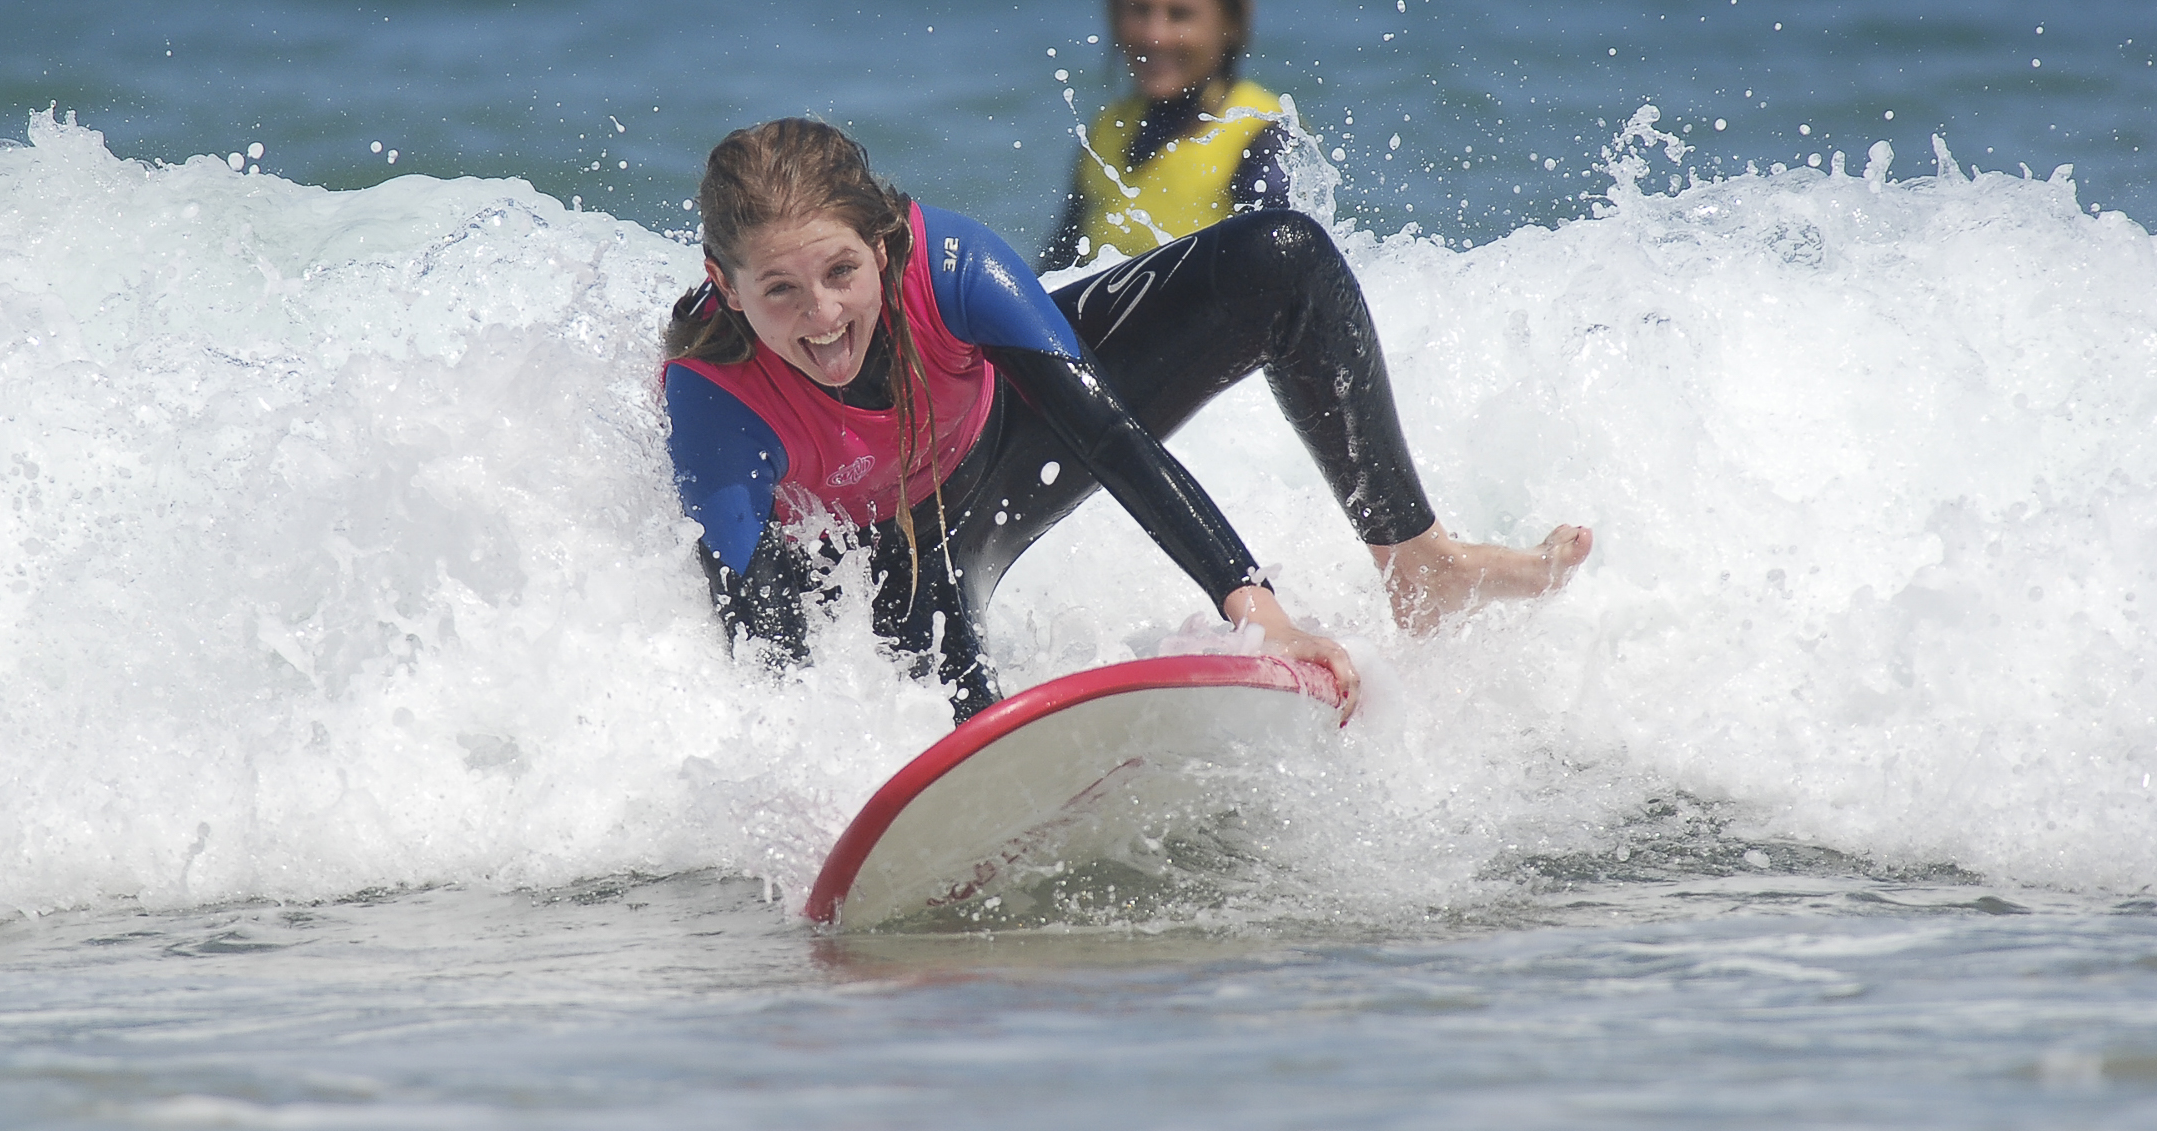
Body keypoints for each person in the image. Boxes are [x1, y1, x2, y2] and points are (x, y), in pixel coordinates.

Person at [662, 118, 1591, 727]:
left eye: (837, 274)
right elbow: (750, 611)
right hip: (893, 557)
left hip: (1010, 442)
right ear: (725, 286)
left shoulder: (949, 267)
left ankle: (1420, 564)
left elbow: (1104, 435)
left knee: (1279, 258)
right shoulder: (717, 396)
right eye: (777, 290)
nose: (821, 317)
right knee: (963, 728)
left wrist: (1254, 607)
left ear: (883, 242)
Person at [1043, 0, 1294, 270]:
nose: (1154, 36)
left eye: (1180, 14)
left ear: (1234, 19)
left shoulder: (1261, 134)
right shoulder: (1104, 134)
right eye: (1139, 9)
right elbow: (1051, 281)